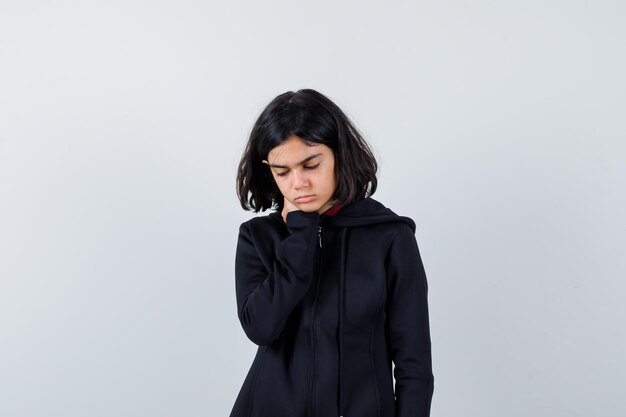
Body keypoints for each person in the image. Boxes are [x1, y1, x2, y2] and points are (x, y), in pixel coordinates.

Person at [231, 88, 434, 417]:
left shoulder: (390, 237)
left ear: (338, 154)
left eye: (310, 165)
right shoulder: (258, 238)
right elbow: (261, 328)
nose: (298, 183)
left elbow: (414, 364)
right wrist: (301, 231)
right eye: (282, 172)